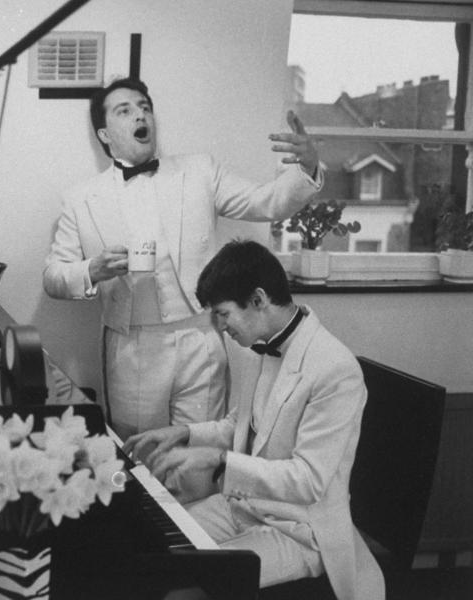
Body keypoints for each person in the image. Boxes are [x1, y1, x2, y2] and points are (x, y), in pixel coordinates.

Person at [43, 77, 324, 439]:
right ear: (104, 134)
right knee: (140, 450)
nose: (140, 114)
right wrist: (91, 270)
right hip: (133, 348)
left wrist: (308, 168)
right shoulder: (80, 199)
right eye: (124, 110)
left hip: (201, 335)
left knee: (201, 450)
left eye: (145, 107)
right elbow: (53, 276)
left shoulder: (200, 171)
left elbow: (267, 201)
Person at [122, 239, 384, 599]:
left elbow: (308, 480)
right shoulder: (258, 346)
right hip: (245, 506)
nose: (219, 326)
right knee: (153, 551)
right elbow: (238, 426)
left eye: (223, 313)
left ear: (259, 299)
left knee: (188, 586)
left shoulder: (335, 370)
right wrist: (183, 433)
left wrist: (218, 459)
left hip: (301, 529)